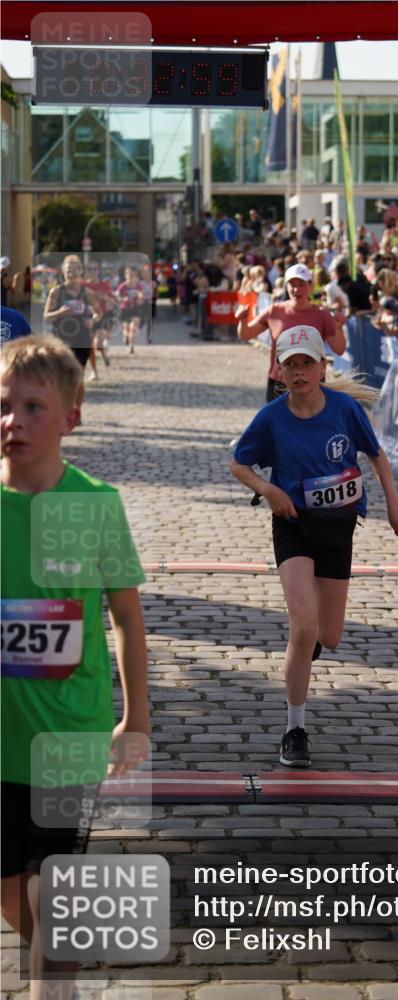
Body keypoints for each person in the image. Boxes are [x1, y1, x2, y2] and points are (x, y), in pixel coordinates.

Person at [0, 334, 149, 998]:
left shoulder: (95, 505)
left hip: (68, 738)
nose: (14, 421)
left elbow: (125, 617)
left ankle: (55, 980)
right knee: (10, 892)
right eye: (4, 406)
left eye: (34, 407)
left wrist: (134, 716)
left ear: (72, 417)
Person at [230, 327, 398, 767]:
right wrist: (269, 490)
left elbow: (377, 456)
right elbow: (239, 462)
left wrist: (394, 504)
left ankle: (306, 643)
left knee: (328, 637)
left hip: (338, 527)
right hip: (292, 524)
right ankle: (295, 729)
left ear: (322, 367)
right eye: (290, 364)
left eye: (306, 363)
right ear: (279, 370)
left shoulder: (345, 409)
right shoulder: (271, 417)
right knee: (304, 624)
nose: (298, 372)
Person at [235, 263, 347, 403]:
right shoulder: (274, 311)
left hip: (312, 382)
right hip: (280, 382)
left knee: (312, 425)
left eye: (301, 284)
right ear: (286, 287)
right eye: (292, 284)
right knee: (277, 425)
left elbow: (339, 349)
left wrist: (339, 327)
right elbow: (246, 334)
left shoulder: (322, 315)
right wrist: (243, 320)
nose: (296, 289)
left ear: (310, 286)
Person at [43, 255, 101, 375]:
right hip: (61, 338)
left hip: (82, 338)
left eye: (75, 270)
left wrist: (92, 320)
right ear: (63, 271)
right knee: (61, 373)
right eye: (69, 270)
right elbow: (46, 317)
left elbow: (98, 313)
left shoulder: (87, 293)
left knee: (78, 374)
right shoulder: (56, 292)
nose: (72, 273)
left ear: (81, 272)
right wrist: (60, 313)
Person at [115, 265, 144, 353]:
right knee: (126, 328)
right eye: (128, 274)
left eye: (132, 274)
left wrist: (140, 298)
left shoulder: (138, 285)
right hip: (125, 309)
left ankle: (131, 346)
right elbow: (117, 295)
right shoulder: (123, 285)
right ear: (125, 275)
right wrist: (122, 299)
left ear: (135, 275)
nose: (130, 276)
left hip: (135, 309)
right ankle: (126, 337)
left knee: (133, 327)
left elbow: (141, 294)